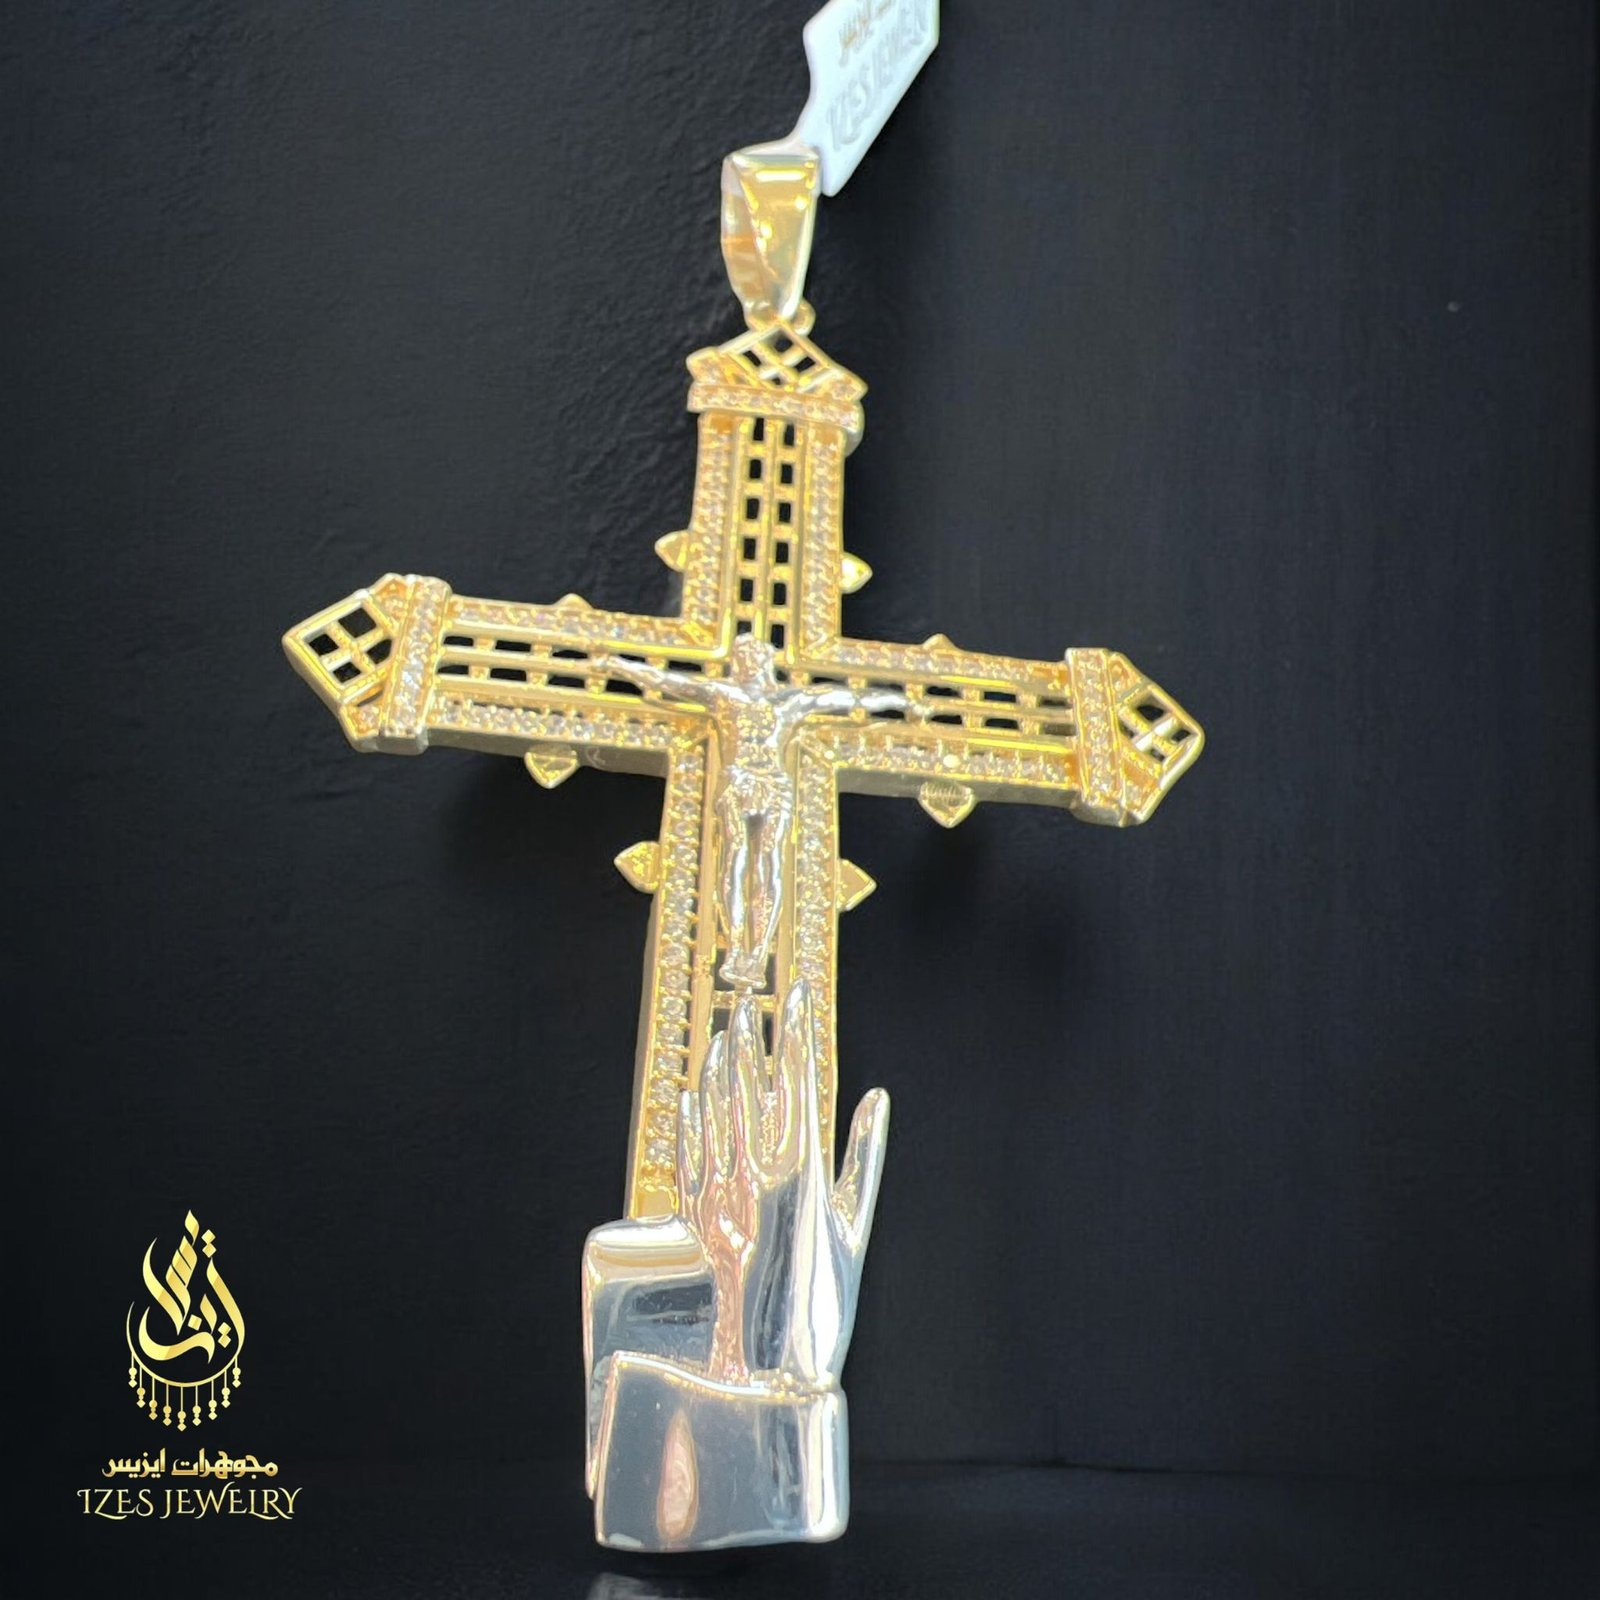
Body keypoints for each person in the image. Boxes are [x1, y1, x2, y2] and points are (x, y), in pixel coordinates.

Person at [600, 635, 927, 987]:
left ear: (767, 660)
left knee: (769, 865)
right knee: (733, 859)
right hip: (737, 781)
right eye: (743, 655)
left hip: (774, 786)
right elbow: (666, 681)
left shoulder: (790, 700)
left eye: (754, 655)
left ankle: (756, 954)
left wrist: (902, 701)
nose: (748, 662)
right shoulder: (723, 695)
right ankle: (735, 948)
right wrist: (617, 665)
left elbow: (849, 698)